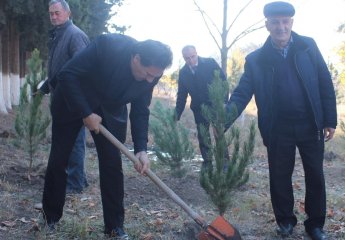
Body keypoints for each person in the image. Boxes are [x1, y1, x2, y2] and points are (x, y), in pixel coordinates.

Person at [41, 32, 173, 239]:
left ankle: (114, 227)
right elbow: (67, 75)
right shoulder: (108, 45)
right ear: (136, 58)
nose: (150, 80)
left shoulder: (152, 73)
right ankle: (50, 218)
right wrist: (85, 112)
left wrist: (141, 149)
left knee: (112, 165)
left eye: (155, 77)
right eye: (147, 74)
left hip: (111, 111)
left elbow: (140, 110)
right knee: (59, 160)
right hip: (73, 100)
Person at [225, 2, 336, 240]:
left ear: (292, 23)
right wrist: (222, 120)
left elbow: (324, 82)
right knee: (279, 176)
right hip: (278, 127)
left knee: (315, 175)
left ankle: (315, 225)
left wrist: (330, 120)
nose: (281, 27)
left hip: (310, 123)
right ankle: (285, 221)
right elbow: (242, 93)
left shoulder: (308, 46)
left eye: (285, 21)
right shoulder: (256, 59)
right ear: (267, 25)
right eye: (275, 22)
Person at [40, 0, 89, 194]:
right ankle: (78, 179)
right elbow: (62, 66)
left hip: (71, 98)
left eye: (57, 12)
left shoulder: (75, 35)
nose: (53, 16)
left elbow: (82, 69)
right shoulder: (59, 34)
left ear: (68, 13)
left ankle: (74, 184)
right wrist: (48, 83)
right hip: (60, 95)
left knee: (74, 141)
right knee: (66, 140)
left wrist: (74, 96)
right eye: (51, 13)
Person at [175, 45, 228, 168]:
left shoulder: (210, 63)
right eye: (187, 58)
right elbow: (181, 95)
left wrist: (224, 102)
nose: (191, 60)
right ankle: (207, 163)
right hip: (199, 108)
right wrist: (176, 114)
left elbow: (223, 81)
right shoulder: (183, 73)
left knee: (219, 133)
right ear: (184, 58)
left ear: (196, 53)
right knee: (203, 136)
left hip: (215, 105)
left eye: (193, 56)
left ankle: (224, 163)